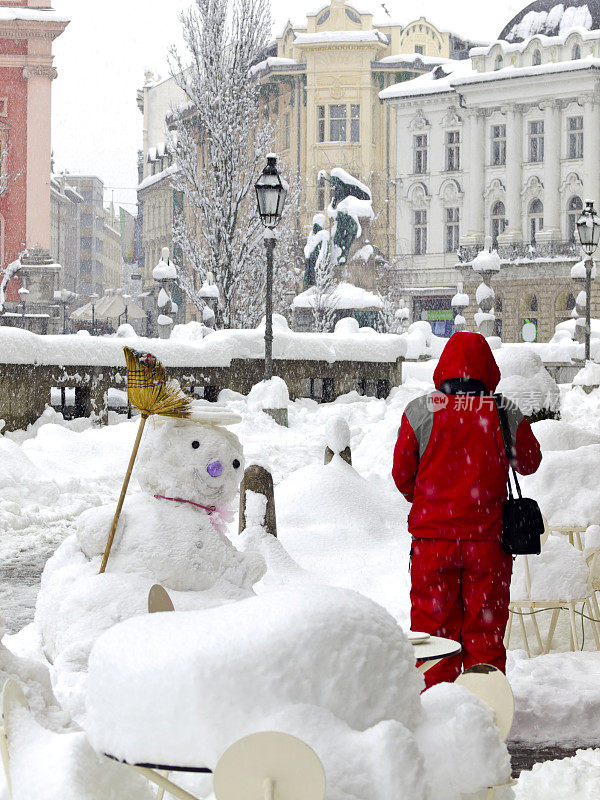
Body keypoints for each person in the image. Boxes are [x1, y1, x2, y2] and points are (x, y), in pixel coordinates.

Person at [392, 332, 542, 688]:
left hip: (432, 544)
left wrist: (434, 503)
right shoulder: (502, 411)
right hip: (487, 544)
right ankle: (485, 711)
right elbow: (530, 462)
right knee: (484, 634)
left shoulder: (421, 410)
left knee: (433, 635)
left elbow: (402, 476)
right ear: (488, 369)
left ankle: (437, 710)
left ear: (444, 366)